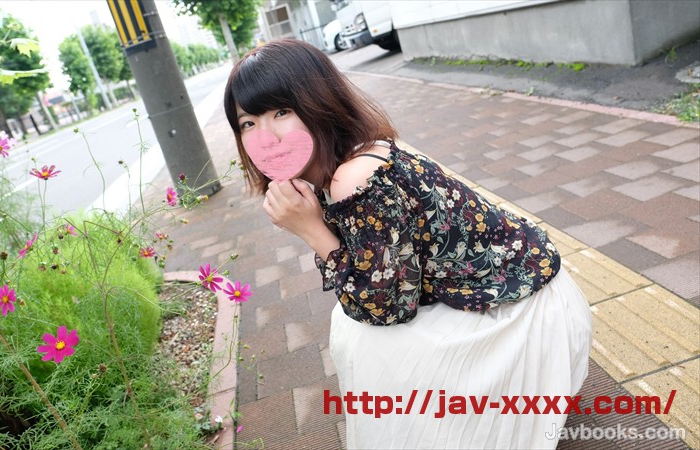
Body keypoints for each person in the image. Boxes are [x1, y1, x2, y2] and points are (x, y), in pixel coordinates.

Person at [224, 39, 593, 449]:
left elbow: (384, 308)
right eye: (248, 123)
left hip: (525, 309)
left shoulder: (353, 177)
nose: (266, 136)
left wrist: (310, 229)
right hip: (511, 286)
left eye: (281, 112)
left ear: (318, 102)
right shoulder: (349, 159)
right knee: (353, 326)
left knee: (365, 341)